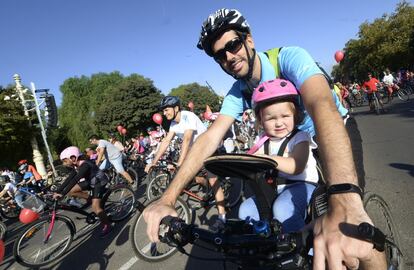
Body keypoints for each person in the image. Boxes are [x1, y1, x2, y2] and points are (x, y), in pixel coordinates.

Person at [143, 8, 384, 269]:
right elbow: (211, 136)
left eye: (232, 45)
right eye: (219, 55)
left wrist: (345, 197)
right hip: (293, 145)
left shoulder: (288, 58)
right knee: (270, 227)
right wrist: (167, 199)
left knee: (353, 231)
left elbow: (322, 106)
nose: (229, 57)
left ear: (249, 40)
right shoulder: (239, 91)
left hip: (332, 130)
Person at [239, 79, 318, 232]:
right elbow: (253, 160)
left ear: (295, 115)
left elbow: (297, 165)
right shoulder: (261, 141)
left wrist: (270, 159)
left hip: (302, 186)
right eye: (271, 118)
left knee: (282, 208)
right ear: (261, 120)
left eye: (285, 116)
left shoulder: (300, 137)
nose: (279, 123)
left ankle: (302, 249)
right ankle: (264, 246)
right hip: (274, 189)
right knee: (245, 210)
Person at [144, 96, 227, 227]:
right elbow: (166, 141)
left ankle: (222, 216)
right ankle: (206, 187)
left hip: (208, 149)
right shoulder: (173, 124)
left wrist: (181, 162)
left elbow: (187, 139)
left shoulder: (187, 116)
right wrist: (154, 161)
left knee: (213, 181)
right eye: (163, 112)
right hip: (196, 153)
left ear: (176, 108)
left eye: (167, 110)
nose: (165, 114)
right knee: (189, 178)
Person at [53, 146, 113, 237]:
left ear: (73, 158)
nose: (64, 164)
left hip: (98, 182)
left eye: (65, 161)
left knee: (96, 208)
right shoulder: (76, 165)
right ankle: (90, 199)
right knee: (71, 191)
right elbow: (70, 178)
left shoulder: (85, 165)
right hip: (90, 181)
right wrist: (58, 191)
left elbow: (75, 179)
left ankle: (107, 224)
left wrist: (62, 194)